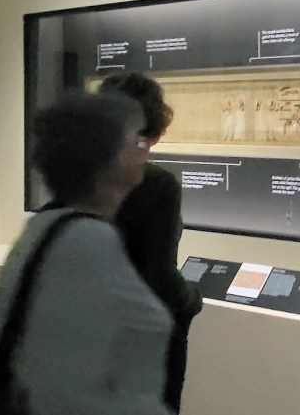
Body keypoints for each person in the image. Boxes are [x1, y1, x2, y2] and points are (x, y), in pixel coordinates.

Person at [0, 92, 173, 415]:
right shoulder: (86, 242)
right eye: (136, 139)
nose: (144, 150)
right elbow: (68, 384)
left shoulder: (46, 227)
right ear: (108, 157)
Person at [100, 72, 203, 413]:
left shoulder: (81, 177)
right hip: (145, 336)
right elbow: (160, 276)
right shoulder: (158, 185)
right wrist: (191, 299)